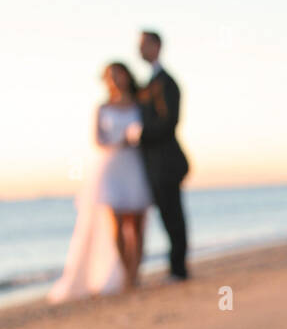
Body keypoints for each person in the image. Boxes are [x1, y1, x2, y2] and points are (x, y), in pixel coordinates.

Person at [49, 62, 152, 303]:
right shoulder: (103, 107)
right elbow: (97, 140)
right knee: (116, 223)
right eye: (111, 77)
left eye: (119, 75)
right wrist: (120, 141)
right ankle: (126, 273)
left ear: (127, 76)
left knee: (136, 224)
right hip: (112, 166)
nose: (115, 81)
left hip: (135, 164)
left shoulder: (140, 103)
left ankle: (135, 273)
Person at [127, 30, 190, 280]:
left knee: (173, 215)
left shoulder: (166, 82)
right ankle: (173, 267)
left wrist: (139, 134)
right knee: (167, 215)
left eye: (143, 45)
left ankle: (178, 268)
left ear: (157, 46)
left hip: (167, 163)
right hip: (151, 164)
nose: (139, 50)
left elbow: (170, 121)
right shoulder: (145, 85)